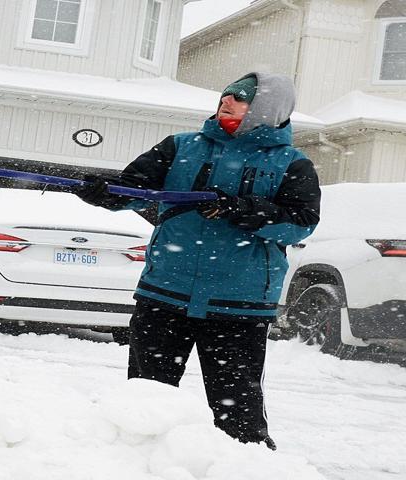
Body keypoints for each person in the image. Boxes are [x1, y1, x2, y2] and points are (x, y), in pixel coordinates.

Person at [73, 72, 321, 450]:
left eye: (241, 97)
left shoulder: (292, 164)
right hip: (165, 293)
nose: (227, 100)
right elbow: (134, 189)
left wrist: (239, 208)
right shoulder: (181, 146)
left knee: (237, 410)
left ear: (266, 109)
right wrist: (104, 191)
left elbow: (299, 224)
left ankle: (246, 475)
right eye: (226, 93)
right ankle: (130, 471)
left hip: (239, 304)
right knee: (144, 401)